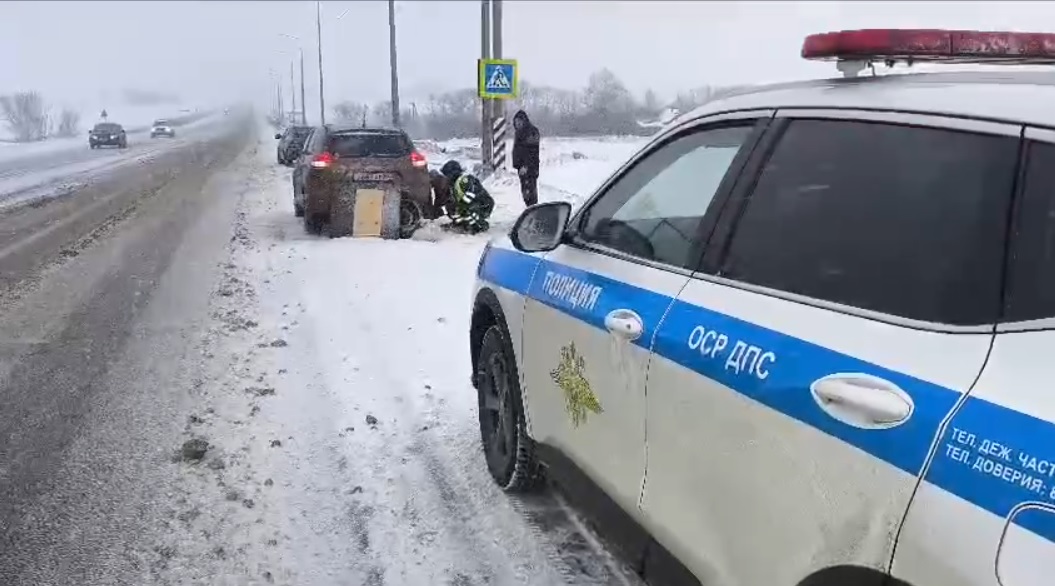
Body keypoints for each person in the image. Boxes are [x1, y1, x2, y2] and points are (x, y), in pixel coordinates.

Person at [440, 160, 494, 234]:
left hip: (483, 205)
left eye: (446, 175)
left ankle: (480, 226)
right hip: (470, 205)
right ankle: (461, 223)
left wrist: (460, 206)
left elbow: (471, 195)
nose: (445, 178)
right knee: (455, 209)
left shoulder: (465, 180)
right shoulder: (453, 185)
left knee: (468, 209)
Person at [511, 109, 540, 207]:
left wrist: (526, 166)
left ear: (524, 121)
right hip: (522, 168)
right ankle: (530, 209)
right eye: (515, 122)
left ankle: (533, 212)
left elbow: (532, 152)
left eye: (519, 122)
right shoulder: (519, 133)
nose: (517, 124)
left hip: (529, 168)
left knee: (530, 193)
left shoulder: (531, 132)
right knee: (525, 192)